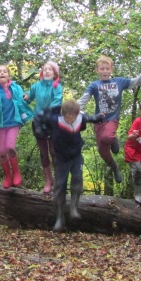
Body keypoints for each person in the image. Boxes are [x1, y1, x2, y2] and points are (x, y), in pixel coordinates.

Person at [77, 55, 141, 184]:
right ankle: (114, 166)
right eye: (102, 68)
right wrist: (70, 110)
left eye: (107, 68)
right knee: (102, 152)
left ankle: (112, 138)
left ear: (112, 69)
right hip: (99, 121)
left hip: (112, 119)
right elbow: (84, 99)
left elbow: (135, 81)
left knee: (107, 137)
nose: (105, 71)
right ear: (97, 70)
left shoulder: (118, 82)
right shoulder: (94, 85)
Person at [35, 99, 103, 232]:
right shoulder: (55, 119)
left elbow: (89, 117)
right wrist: (38, 129)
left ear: (77, 114)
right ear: (63, 114)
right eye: (68, 118)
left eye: (73, 118)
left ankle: (73, 208)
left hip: (76, 156)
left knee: (77, 178)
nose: (70, 120)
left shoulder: (80, 118)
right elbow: (38, 117)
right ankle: (59, 217)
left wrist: (97, 118)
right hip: (61, 158)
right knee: (59, 186)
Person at [0, 65, 33, 189]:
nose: (2, 73)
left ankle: (16, 173)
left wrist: (27, 96)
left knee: (10, 147)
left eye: (4, 72)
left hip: (14, 122)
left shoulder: (16, 87)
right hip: (0, 124)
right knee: (2, 152)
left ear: (8, 75)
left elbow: (24, 98)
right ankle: (8, 176)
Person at [23, 61, 63, 194]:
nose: (47, 71)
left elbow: (57, 102)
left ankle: (58, 180)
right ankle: (48, 180)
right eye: (45, 69)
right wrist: (25, 97)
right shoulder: (36, 86)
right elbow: (28, 97)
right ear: (42, 72)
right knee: (43, 152)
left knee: (54, 151)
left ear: (55, 73)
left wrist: (45, 114)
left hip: (52, 122)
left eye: (50, 70)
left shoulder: (57, 86)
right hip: (38, 123)